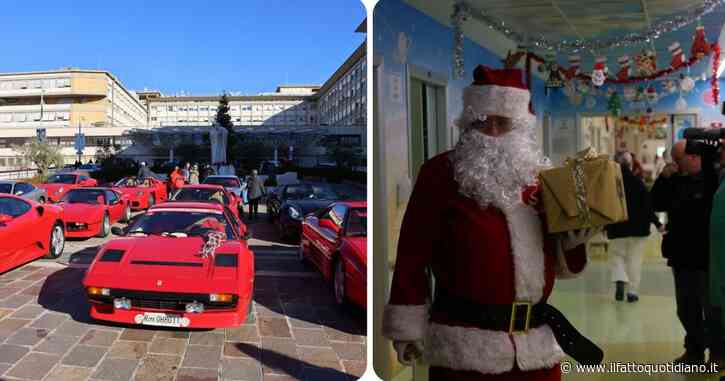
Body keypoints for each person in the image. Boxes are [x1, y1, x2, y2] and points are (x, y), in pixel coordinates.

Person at [382, 65, 602, 381]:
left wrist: (575, 243)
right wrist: (407, 328)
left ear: (521, 128)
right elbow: (412, 254)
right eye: (483, 122)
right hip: (464, 352)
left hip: (536, 350)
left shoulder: (541, 179)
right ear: (468, 124)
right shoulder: (440, 173)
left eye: (503, 122)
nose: (494, 132)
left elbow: (560, 262)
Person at [651, 139, 723, 365]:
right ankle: (694, 349)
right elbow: (654, 203)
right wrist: (663, 179)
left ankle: (719, 353)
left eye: (679, 160)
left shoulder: (714, 180)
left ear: (694, 158)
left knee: (711, 311)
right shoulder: (675, 181)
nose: (676, 165)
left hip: (706, 258)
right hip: (681, 256)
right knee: (686, 309)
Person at [606, 151, 663, 303]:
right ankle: (632, 292)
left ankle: (620, 278)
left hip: (617, 228)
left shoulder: (610, 185)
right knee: (634, 259)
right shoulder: (638, 183)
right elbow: (647, 206)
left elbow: (604, 207)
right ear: (630, 165)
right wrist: (657, 224)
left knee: (617, 256)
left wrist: (602, 225)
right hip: (639, 228)